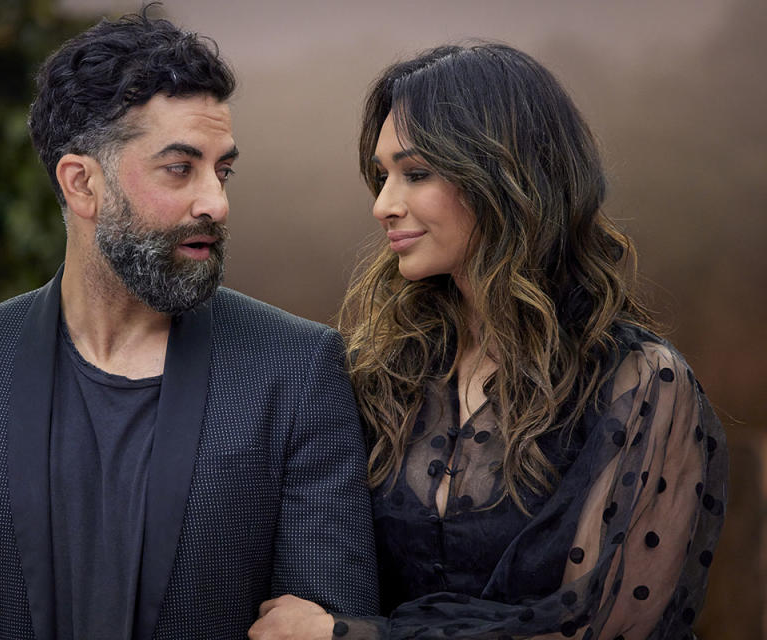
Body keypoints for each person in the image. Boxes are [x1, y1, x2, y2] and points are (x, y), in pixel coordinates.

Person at [0, 12, 378, 640]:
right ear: (82, 183)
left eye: (223, 170)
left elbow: (329, 622)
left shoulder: (298, 367)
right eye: (180, 167)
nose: (216, 202)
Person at [250, 43, 727, 640]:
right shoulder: (384, 372)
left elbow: (600, 625)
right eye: (382, 176)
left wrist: (343, 637)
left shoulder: (640, 384)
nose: (382, 205)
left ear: (504, 176)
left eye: (416, 173)